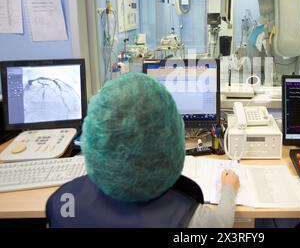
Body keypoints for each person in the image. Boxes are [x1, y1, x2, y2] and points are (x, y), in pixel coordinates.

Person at [46, 72, 240, 228]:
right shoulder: (192, 218)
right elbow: (222, 224)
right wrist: (229, 188)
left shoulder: (64, 202)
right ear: (173, 142)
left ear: (95, 142)